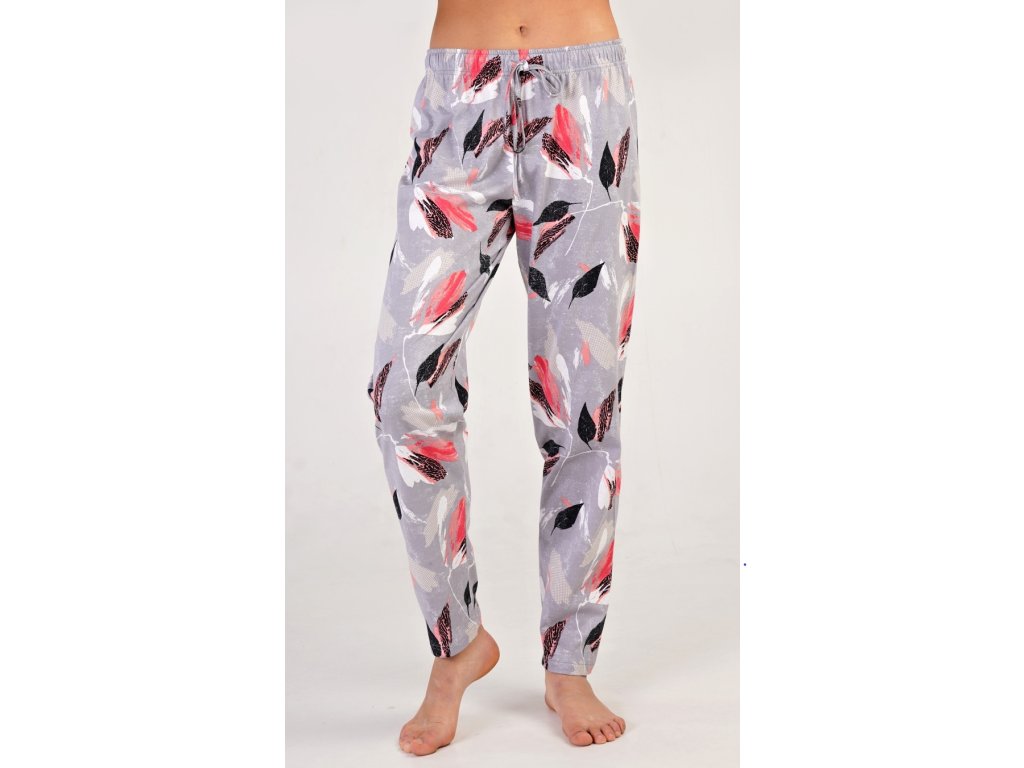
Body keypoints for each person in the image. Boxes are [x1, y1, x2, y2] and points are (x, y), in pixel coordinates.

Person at [366, 0, 640, 754]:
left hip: (584, 93)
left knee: (583, 404)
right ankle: (458, 643)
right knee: (403, 391)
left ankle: (569, 664)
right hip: (460, 92)